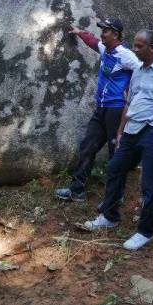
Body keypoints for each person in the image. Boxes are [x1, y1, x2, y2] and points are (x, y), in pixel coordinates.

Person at [82, 30, 153, 251]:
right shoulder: (137, 70)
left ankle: (145, 231)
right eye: (134, 46)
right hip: (131, 129)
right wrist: (120, 132)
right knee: (115, 168)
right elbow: (129, 102)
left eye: (139, 46)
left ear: (152, 47)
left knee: (148, 182)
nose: (135, 50)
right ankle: (109, 215)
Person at [55, 18, 141, 202]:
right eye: (102, 30)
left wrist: (133, 95)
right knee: (87, 146)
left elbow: (141, 71)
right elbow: (93, 41)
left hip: (116, 110)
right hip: (101, 108)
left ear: (116, 35)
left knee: (115, 152)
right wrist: (79, 32)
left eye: (106, 31)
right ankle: (76, 190)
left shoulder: (125, 55)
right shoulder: (105, 48)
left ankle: (116, 196)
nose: (102, 33)